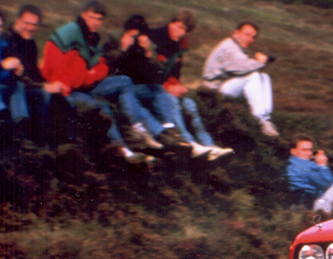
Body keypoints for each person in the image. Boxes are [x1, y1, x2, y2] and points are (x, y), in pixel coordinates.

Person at [40, 1, 163, 162]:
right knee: (102, 107)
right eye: (92, 18)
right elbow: (58, 72)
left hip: (85, 85)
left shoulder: (94, 37)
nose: (95, 22)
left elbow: (101, 67)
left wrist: (90, 74)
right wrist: (87, 75)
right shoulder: (68, 33)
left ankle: (136, 128)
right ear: (83, 14)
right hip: (67, 90)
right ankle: (124, 151)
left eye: (99, 19)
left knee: (124, 81)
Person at [148, 10, 232, 160]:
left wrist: (178, 86)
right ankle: (190, 144)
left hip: (166, 85)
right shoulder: (155, 38)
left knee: (190, 105)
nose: (181, 33)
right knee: (173, 102)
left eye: (185, 30)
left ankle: (210, 146)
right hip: (151, 86)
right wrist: (169, 87)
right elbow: (148, 71)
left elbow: (174, 72)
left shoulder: (179, 44)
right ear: (171, 23)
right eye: (179, 27)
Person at [103, 14, 185, 149]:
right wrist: (122, 49)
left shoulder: (143, 43)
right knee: (136, 104)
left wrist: (148, 52)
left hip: (134, 86)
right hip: (117, 85)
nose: (133, 38)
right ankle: (160, 134)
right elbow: (108, 65)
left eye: (136, 35)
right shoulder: (114, 38)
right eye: (131, 33)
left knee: (158, 89)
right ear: (125, 30)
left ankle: (170, 128)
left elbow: (159, 72)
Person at [3, 4, 71, 143]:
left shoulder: (31, 43)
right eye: (27, 23)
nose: (30, 28)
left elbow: (34, 72)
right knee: (43, 94)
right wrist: (42, 86)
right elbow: (17, 76)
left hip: (28, 87)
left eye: (34, 24)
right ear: (17, 20)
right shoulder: (7, 40)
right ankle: (37, 141)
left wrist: (49, 84)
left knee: (60, 97)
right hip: (12, 88)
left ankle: (62, 143)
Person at [202, 21, 277, 137]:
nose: (250, 39)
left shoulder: (236, 47)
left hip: (226, 85)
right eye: (247, 34)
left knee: (264, 76)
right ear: (236, 33)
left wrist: (261, 63)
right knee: (254, 76)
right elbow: (242, 67)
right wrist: (260, 61)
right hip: (214, 88)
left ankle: (266, 120)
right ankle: (261, 119)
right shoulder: (229, 46)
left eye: (253, 37)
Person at [285, 134, 333, 214]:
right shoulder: (305, 166)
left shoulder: (290, 165)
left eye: (310, 150)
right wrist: (322, 165)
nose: (308, 153)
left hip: (299, 207)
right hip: (316, 206)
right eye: (304, 150)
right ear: (293, 151)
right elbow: (327, 184)